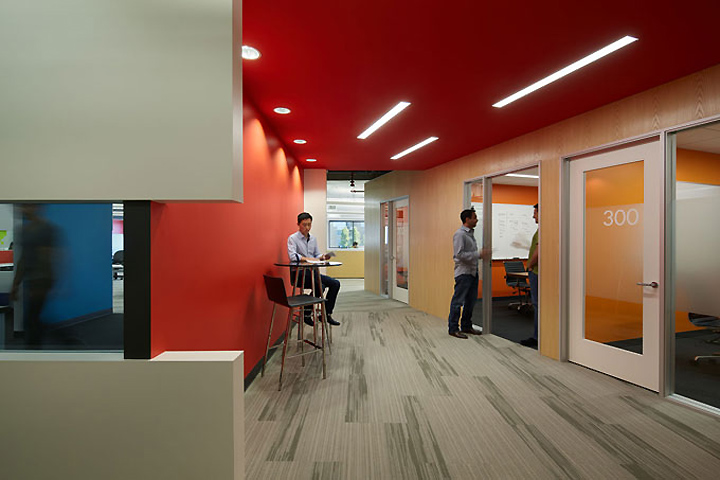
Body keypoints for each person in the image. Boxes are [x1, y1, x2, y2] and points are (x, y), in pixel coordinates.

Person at [10, 204, 59, 348]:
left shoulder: (45, 229)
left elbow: (48, 256)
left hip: (41, 279)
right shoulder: (23, 231)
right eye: (21, 207)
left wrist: (45, 281)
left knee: (32, 318)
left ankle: (36, 350)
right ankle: (38, 349)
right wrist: (15, 284)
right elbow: (23, 259)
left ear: (36, 208)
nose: (22, 210)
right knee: (33, 318)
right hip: (31, 279)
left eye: (26, 207)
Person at [287, 212, 341, 326]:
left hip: (312, 273)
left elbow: (316, 255)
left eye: (309, 225)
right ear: (298, 224)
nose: (307, 228)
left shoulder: (313, 239)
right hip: (299, 274)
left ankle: (326, 314)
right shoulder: (292, 238)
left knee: (335, 283)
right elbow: (292, 256)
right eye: (304, 225)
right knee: (320, 286)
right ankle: (307, 313)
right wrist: (308, 259)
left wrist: (322, 257)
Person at [448, 208, 490, 338]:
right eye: (474, 217)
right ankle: (453, 328)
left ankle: (466, 326)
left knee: (470, 301)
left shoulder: (470, 234)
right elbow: (459, 255)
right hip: (463, 273)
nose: (476, 219)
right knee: (458, 301)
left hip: (472, 272)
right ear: (467, 219)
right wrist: (478, 254)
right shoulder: (460, 234)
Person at [521, 204, 539, 348]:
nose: (533, 216)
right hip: (538, 272)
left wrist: (530, 265)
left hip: (537, 272)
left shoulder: (542, 230)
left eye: (535, 213)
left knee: (538, 305)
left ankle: (537, 337)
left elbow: (538, 252)